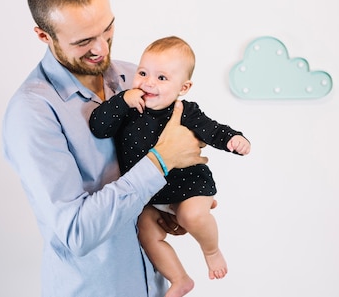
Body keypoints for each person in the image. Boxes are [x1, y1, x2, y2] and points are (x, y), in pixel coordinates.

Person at [2, 0, 210, 297]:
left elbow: (169, 159)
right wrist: (160, 162)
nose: (101, 48)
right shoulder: (31, 113)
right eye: (84, 41)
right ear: (44, 35)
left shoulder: (135, 77)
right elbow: (76, 233)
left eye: (107, 29)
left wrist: (174, 204)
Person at [89, 35, 251, 297]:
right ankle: (179, 279)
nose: (149, 82)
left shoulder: (185, 111)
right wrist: (122, 101)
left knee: (191, 216)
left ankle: (211, 250)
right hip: (153, 196)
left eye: (162, 78)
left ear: (184, 87)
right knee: (146, 232)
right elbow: (98, 126)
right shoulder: (130, 109)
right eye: (143, 73)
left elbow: (212, 130)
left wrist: (233, 139)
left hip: (191, 187)